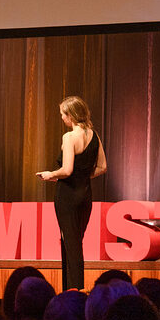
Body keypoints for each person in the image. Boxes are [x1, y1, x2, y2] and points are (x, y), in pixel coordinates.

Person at [36, 96, 107, 291]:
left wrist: (50, 174)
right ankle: (70, 289)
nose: (62, 118)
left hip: (67, 196)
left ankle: (76, 292)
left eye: (62, 114)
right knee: (73, 243)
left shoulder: (69, 137)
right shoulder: (95, 136)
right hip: (85, 195)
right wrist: (82, 176)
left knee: (72, 245)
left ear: (71, 116)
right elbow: (102, 167)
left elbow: (66, 170)